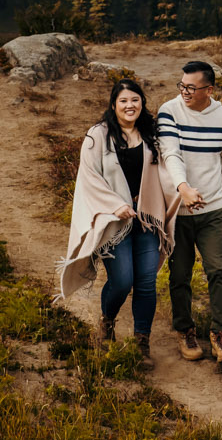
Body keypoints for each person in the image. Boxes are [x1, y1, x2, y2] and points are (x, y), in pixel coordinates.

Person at [58, 78, 176, 364]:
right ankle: (108, 320)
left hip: (147, 220)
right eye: (123, 101)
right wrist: (116, 205)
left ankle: (141, 343)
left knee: (146, 282)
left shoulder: (151, 135)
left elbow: (168, 167)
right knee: (122, 281)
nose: (129, 105)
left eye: (135, 99)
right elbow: (89, 177)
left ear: (142, 103)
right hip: (115, 223)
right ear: (114, 105)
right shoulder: (98, 135)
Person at [156, 60, 222, 363]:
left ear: (209, 89)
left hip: (214, 210)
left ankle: (220, 334)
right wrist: (184, 189)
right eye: (182, 85)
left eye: (191, 87)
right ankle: (185, 330)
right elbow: (170, 154)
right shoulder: (169, 111)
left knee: (218, 270)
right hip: (179, 211)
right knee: (180, 274)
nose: (185, 91)